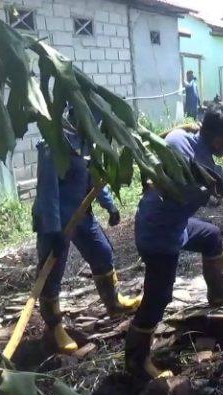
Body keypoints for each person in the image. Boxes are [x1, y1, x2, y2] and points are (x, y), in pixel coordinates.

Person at [125, 105, 223, 380]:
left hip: (158, 221)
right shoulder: (208, 170)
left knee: (210, 236)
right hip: (160, 238)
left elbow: (177, 134)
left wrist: (191, 128)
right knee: (157, 299)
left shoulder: (175, 139)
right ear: (219, 140)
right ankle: (137, 362)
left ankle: (218, 291)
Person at [32, 110, 142, 354]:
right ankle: (55, 327)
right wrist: (53, 231)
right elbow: (48, 191)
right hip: (57, 219)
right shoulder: (52, 144)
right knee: (51, 274)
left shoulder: (86, 142)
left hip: (81, 213)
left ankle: (113, 301)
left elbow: (94, 177)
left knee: (102, 252)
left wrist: (109, 205)